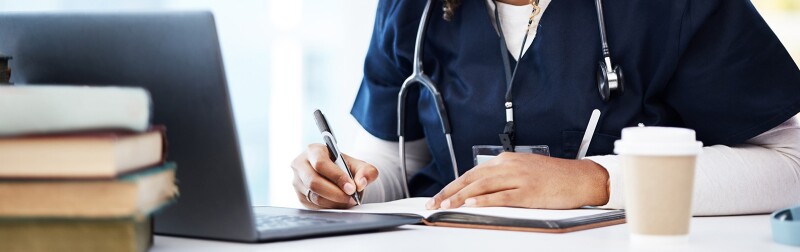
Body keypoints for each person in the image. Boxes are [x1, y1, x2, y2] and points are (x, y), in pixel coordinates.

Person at [291, 0, 800, 215]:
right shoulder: (414, 9)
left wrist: (596, 181)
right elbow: (391, 175)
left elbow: (792, 167)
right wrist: (340, 183)